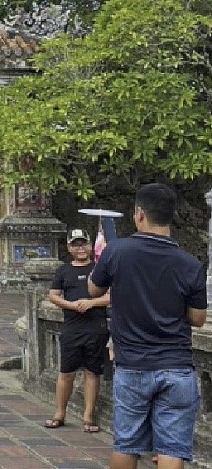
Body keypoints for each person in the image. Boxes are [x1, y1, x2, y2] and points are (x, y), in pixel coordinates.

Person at [88, 183, 207, 469]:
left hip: (132, 365)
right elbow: (198, 319)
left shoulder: (117, 251)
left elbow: (94, 290)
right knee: (171, 450)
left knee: (126, 444)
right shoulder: (191, 264)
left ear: (140, 213)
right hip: (176, 366)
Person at [45, 227, 110, 432]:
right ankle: (59, 413)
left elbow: (112, 296)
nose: (80, 247)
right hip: (72, 327)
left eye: (83, 243)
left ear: (91, 245)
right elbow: (53, 295)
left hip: (96, 327)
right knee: (66, 372)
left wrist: (92, 303)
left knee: (92, 373)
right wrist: (72, 305)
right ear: (69, 247)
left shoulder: (100, 269)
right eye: (76, 244)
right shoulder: (64, 271)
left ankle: (88, 417)